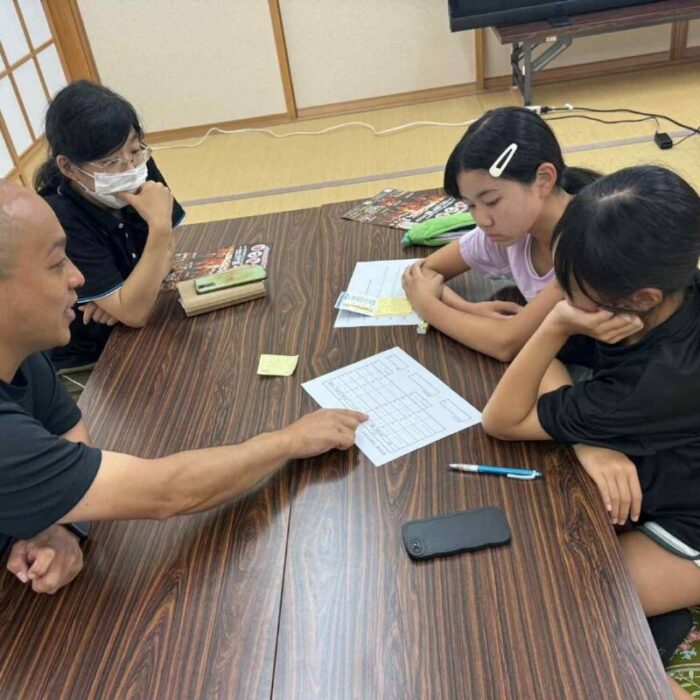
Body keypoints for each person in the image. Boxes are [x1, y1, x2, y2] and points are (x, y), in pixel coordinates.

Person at [0, 180, 366, 594]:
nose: (77, 276)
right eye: (55, 264)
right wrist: (290, 440)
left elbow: (70, 434)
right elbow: (167, 492)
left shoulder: (21, 348)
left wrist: (62, 523)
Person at [480, 166, 700, 700]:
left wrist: (554, 325)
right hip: (671, 464)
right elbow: (544, 372)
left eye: (571, 289)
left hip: (689, 525)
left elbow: (501, 420)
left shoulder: (648, 384)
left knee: (565, 610)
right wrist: (587, 439)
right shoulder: (667, 292)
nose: (561, 297)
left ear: (641, 298)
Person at [402, 106, 599, 363]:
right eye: (471, 205)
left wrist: (428, 307)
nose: (482, 220)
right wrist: (469, 309)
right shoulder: (511, 229)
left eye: (492, 201)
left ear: (543, 179)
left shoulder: (586, 242)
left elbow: (506, 343)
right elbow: (424, 272)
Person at [34, 81, 185, 371]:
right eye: (109, 162)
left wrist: (122, 299)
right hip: (90, 358)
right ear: (68, 167)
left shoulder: (139, 166)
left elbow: (168, 255)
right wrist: (159, 228)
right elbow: (135, 313)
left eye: (135, 150)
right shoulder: (58, 215)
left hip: (140, 328)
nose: (129, 169)